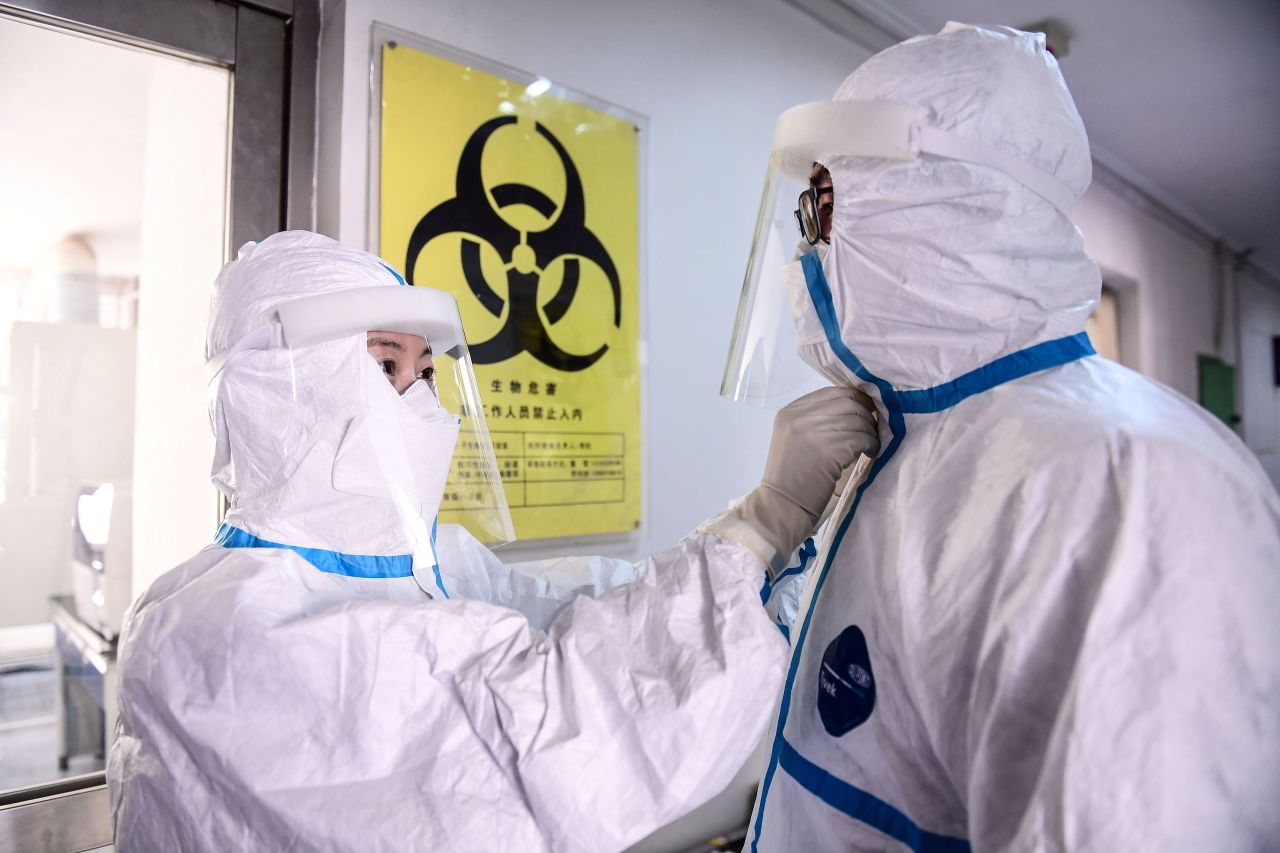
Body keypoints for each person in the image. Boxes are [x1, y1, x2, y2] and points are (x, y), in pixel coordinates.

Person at [106, 230, 880, 851]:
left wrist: (755, 542)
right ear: (281, 386)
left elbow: (584, 611)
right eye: (383, 363)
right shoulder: (219, 630)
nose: (417, 400)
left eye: (426, 370)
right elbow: (555, 733)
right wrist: (765, 518)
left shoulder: (426, 562)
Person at [728, 23, 1280, 852]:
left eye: (824, 204)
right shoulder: (909, 450)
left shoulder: (1124, 487)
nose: (808, 250)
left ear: (936, 203)